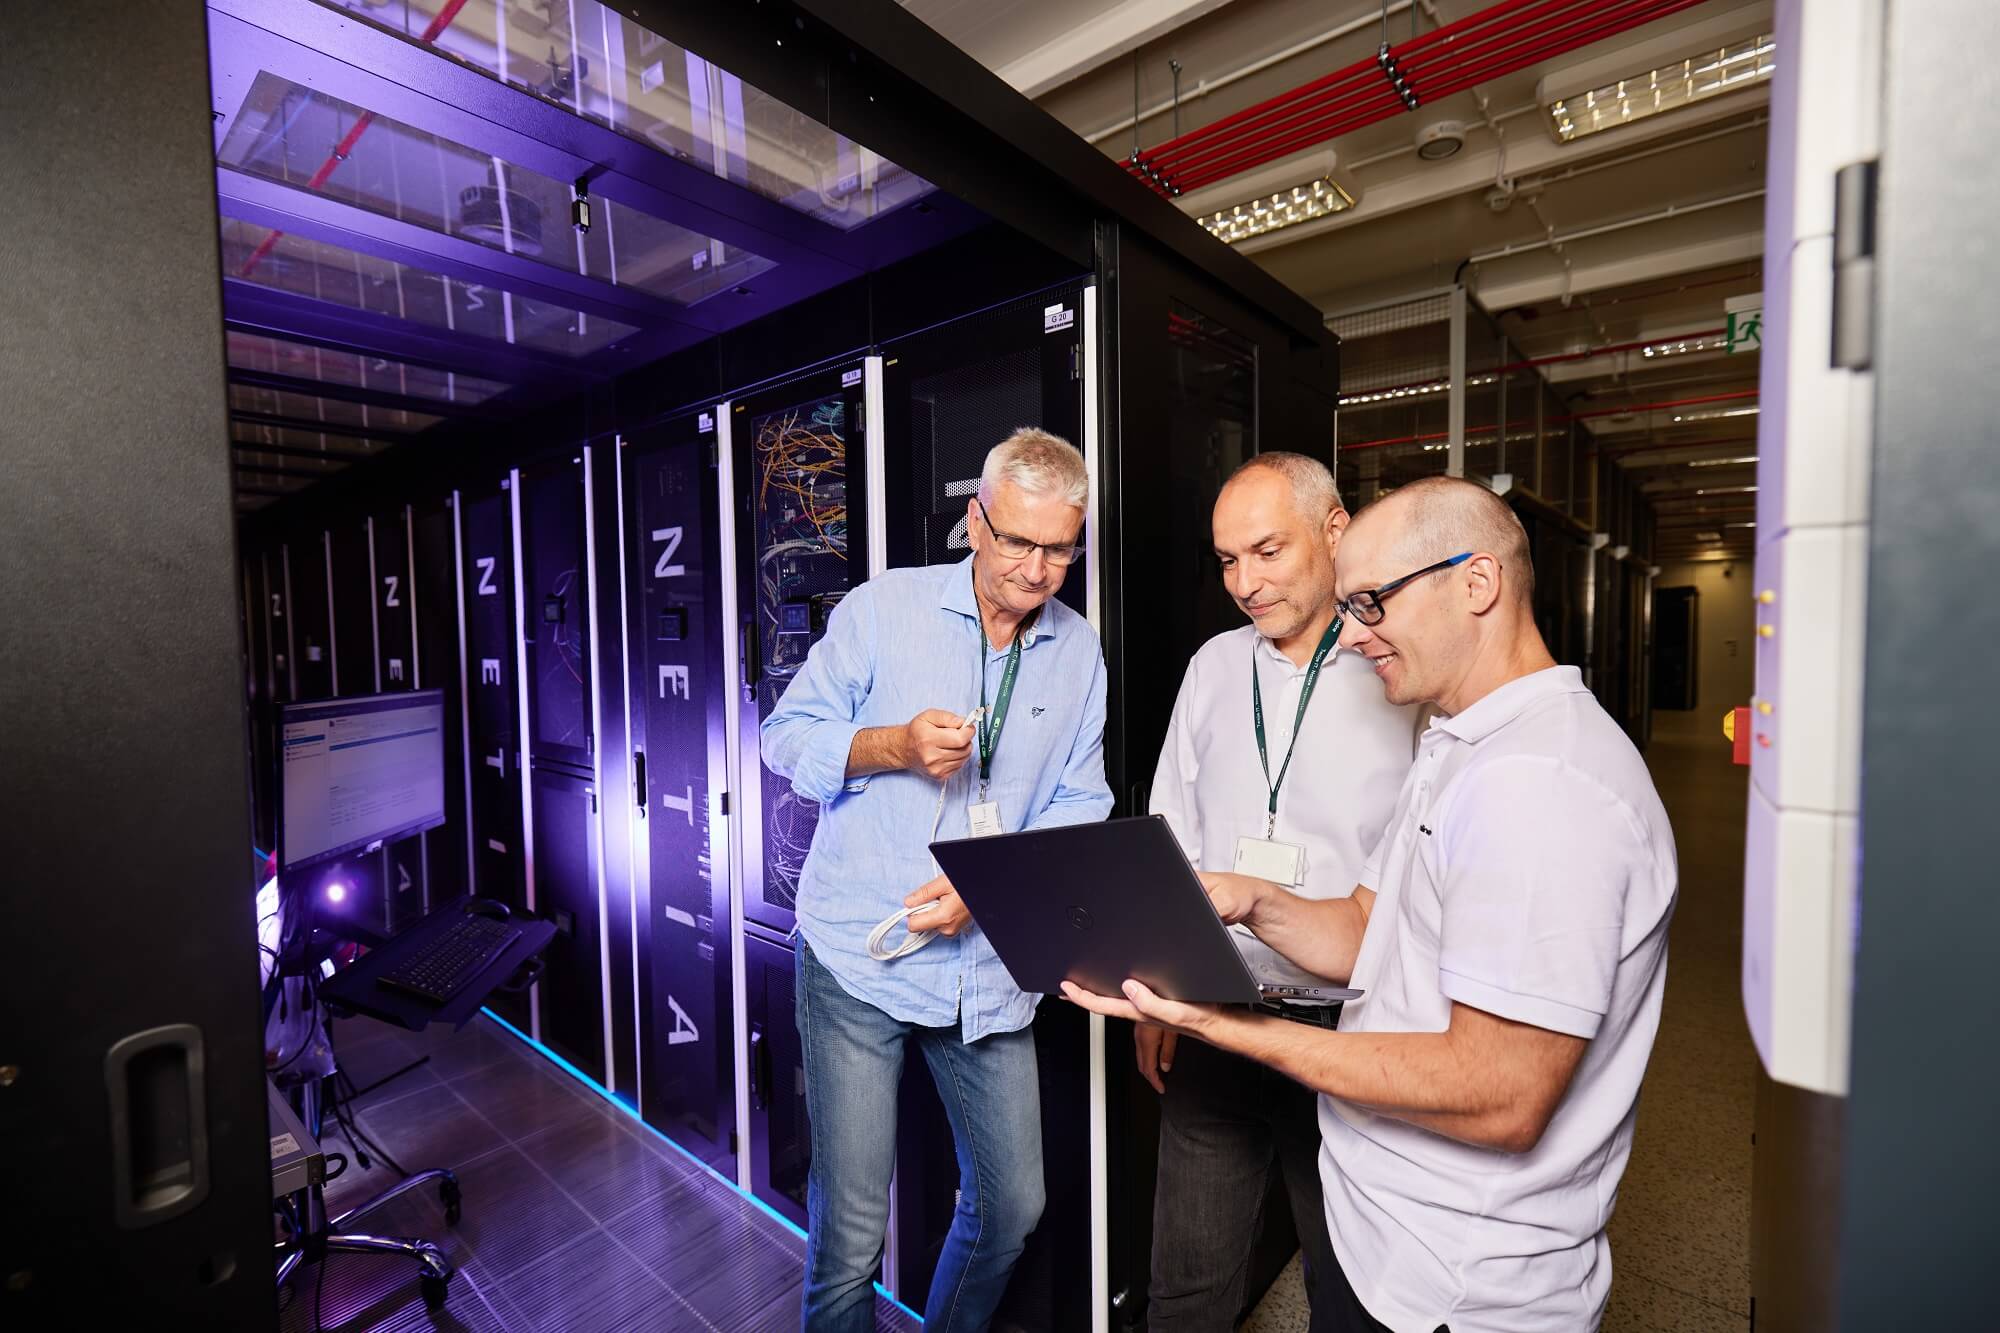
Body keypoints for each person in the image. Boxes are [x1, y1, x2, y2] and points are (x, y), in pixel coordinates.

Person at [1065, 475, 1677, 1332]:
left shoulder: (1543, 785)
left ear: (1478, 582)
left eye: (1372, 603)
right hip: (1390, 1228)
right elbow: (1365, 926)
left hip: (1456, 1285)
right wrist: (1255, 900)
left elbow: (1501, 1093)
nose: (1352, 634)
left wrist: (1226, 1027)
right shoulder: (1460, 746)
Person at [761, 427, 1113, 1333]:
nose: (1037, 570)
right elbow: (784, 737)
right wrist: (895, 746)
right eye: (1019, 541)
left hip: (985, 970)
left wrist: (992, 890)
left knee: (1012, 1208)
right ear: (976, 521)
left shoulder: (1077, 650)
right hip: (858, 959)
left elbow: (1081, 803)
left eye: (1060, 549)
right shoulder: (885, 609)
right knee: (851, 1234)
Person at [1142, 453, 1418, 1331]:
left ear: (1336, 531)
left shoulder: (1400, 670)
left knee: (1350, 1288)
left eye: (1267, 551)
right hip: (1217, 1006)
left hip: (1353, 1025)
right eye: (1228, 560)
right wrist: (1160, 991)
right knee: (1186, 1287)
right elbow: (1171, 829)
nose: (1245, 583)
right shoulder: (1213, 667)